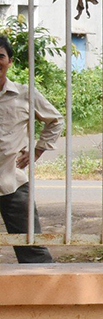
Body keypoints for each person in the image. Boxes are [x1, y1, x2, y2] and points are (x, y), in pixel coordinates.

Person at [0, 34, 62, 263]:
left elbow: (55, 120)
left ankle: (49, 295)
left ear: (10, 61)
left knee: (31, 248)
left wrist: (36, 151)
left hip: (13, 182)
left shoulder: (25, 94)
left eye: (1, 56)